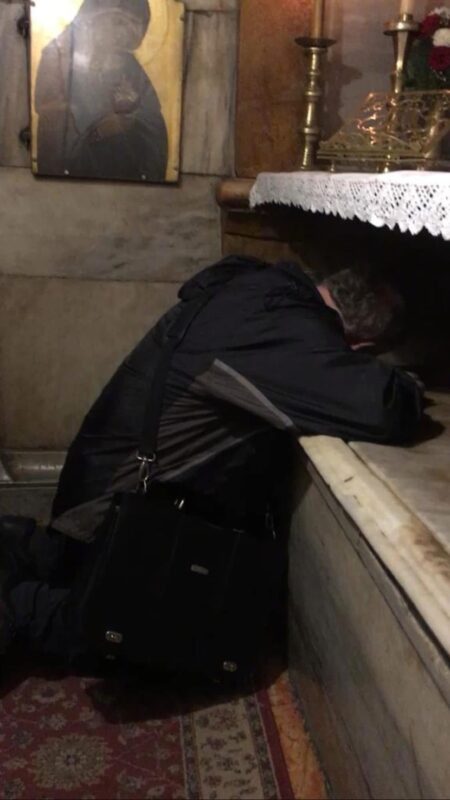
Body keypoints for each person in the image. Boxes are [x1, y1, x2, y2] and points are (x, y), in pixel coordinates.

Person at [0, 255, 423, 659]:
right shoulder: (278, 331)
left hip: (95, 485)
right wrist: (411, 383)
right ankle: (24, 607)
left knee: (61, 562)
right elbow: (383, 408)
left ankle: (25, 549)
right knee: (146, 640)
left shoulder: (261, 292)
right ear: (361, 345)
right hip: (103, 515)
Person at [35, 0, 168, 182]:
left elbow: (153, 126)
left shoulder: (129, 66)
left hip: (127, 181)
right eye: (119, 22)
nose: (123, 36)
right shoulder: (58, 59)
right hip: (75, 182)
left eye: (135, 28)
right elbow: (53, 132)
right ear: (95, 19)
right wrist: (99, 132)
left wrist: (134, 122)